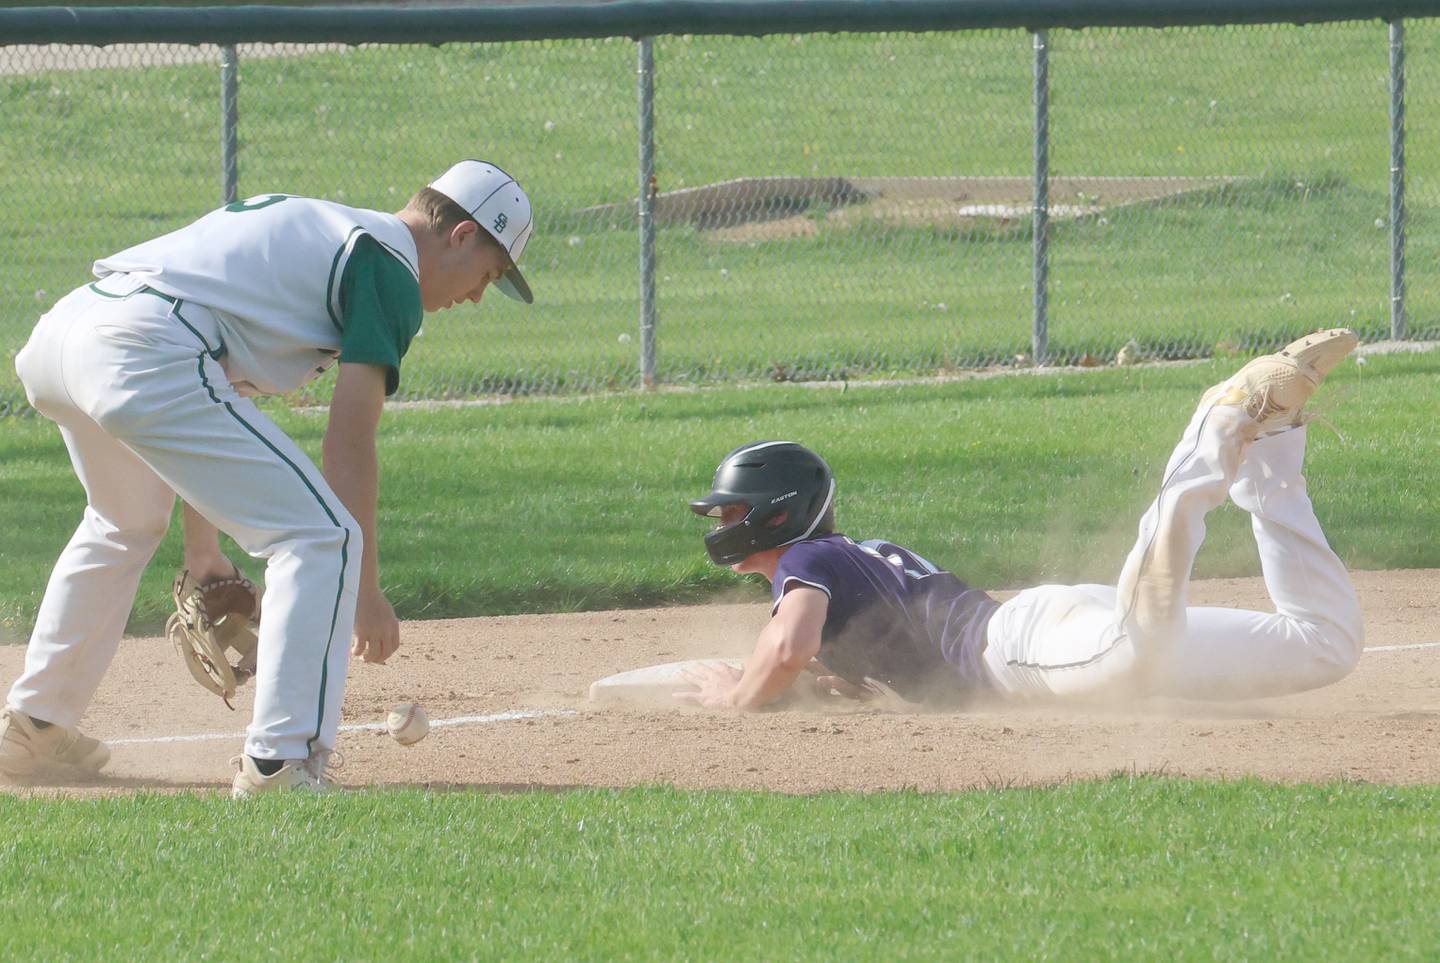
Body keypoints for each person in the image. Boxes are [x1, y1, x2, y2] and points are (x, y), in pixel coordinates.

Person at [0, 160, 534, 796]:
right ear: (464, 234)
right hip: (143, 346)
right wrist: (364, 591)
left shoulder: (328, 231)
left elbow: (213, 387)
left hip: (70, 334)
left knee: (123, 522)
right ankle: (280, 764)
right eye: (489, 274)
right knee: (322, 537)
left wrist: (205, 555)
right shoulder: (388, 266)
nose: (476, 295)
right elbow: (350, 441)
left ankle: (35, 727)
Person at [677, 329, 1364, 712]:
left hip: (1018, 652)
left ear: (778, 515)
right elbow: (843, 652)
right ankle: (1271, 446)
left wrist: (735, 696)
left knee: (1140, 641)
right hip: (1050, 630)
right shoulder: (847, 558)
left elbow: (789, 644)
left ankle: (1221, 423)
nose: (722, 521)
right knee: (1324, 643)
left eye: (732, 509)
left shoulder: (805, 560)